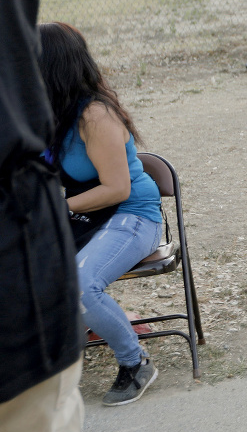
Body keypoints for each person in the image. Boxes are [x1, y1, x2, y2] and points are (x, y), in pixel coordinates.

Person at [0, 0, 83, 432]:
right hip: (27, 244)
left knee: (95, 287)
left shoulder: (97, 119)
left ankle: (133, 362)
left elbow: (125, 191)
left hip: (108, 220)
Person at [38, 21, 165, 405]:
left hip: (132, 213)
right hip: (90, 217)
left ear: (52, 66)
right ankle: (88, 330)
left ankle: (135, 362)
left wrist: (55, 207)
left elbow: (117, 188)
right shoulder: (51, 111)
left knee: (80, 283)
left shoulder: (95, 115)